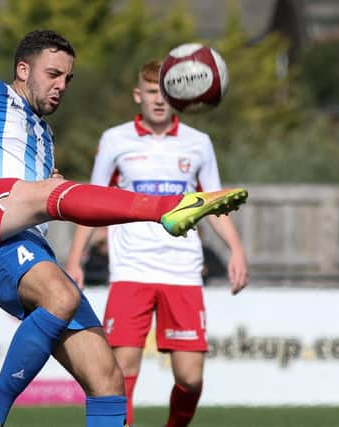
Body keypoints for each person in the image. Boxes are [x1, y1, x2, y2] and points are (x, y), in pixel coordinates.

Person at [0, 4, 247, 425]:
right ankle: (168, 209)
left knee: (106, 377)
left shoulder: (44, 133)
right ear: (23, 70)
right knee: (59, 289)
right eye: (53, 74)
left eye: (68, 78)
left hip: (26, 243)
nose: (62, 85)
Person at [65, 59, 249, 427]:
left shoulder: (199, 143)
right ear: (138, 95)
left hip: (182, 269)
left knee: (190, 377)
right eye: (151, 91)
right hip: (131, 268)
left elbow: (213, 203)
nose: (159, 100)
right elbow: (91, 201)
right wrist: (75, 259)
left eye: (167, 92)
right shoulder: (115, 140)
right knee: (121, 370)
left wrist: (237, 251)